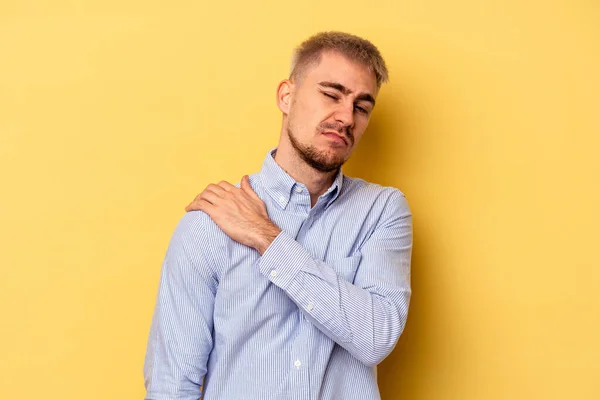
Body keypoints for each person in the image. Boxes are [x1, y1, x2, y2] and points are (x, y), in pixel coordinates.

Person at [144, 31, 413, 400]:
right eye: (331, 95)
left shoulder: (382, 212)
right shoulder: (210, 224)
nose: (346, 117)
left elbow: (376, 336)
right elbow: (172, 384)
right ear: (287, 96)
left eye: (361, 107)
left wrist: (266, 237)